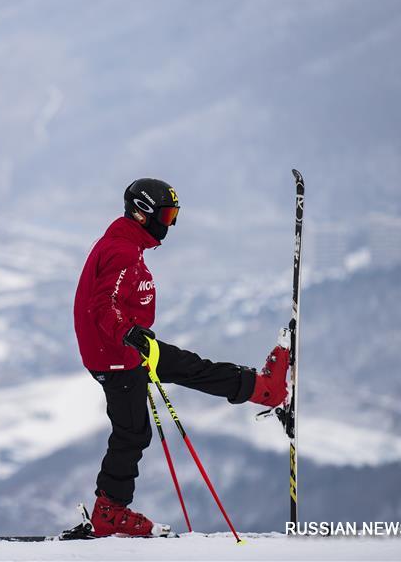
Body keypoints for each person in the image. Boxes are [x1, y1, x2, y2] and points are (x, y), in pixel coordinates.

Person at [73, 178, 290, 537]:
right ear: (143, 214)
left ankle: (263, 389)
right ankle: (109, 513)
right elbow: (103, 304)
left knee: (181, 380)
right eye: (167, 215)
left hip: (124, 348)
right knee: (133, 431)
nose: (170, 224)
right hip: (118, 354)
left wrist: (131, 333)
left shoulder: (126, 242)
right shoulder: (123, 250)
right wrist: (127, 332)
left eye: (174, 216)